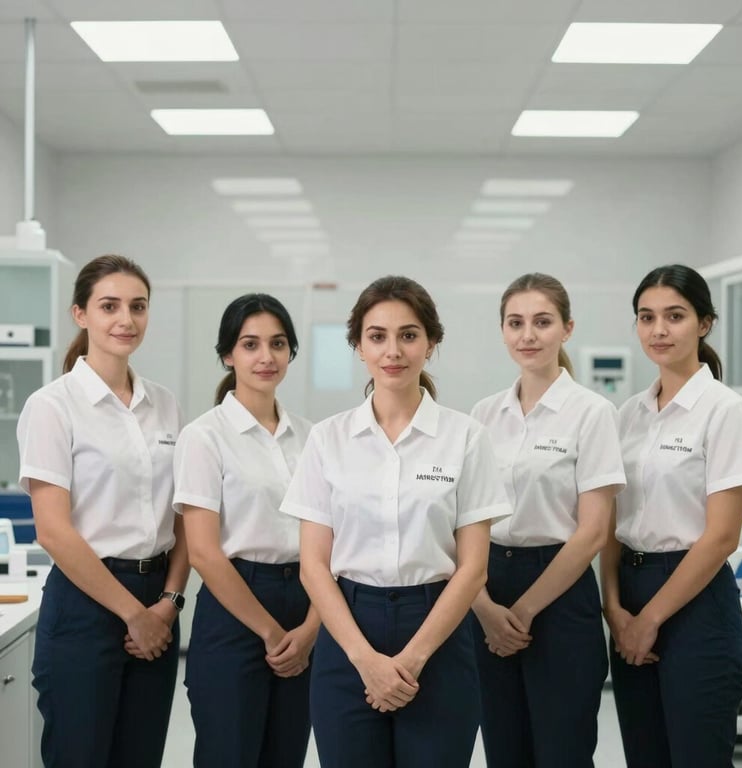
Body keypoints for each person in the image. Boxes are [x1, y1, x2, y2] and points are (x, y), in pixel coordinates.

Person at [280, 275, 510, 768]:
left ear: (431, 343)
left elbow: (472, 569)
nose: (394, 350)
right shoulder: (328, 440)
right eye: (377, 336)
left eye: (409, 335)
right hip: (348, 632)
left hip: (438, 633)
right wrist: (366, 662)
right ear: (358, 346)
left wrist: (411, 660)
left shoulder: (466, 438)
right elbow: (314, 566)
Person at [16, 254, 188, 768]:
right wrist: (134, 615)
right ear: (80, 314)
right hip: (85, 603)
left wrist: (168, 603)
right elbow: (53, 531)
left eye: (137, 307)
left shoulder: (166, 405)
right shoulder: (53, 405)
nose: (125, 320)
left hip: (157, 601)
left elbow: (181, 519)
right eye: (109, 306)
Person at [601, 264, 742, 768]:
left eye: (675, 316)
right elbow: (609, 525)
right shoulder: (628, 415)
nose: (659, 330)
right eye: (646, 318)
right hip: (630, 592)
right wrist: (616, 611)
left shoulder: (723, 410)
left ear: (705, 323)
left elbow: (721, 538)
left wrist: (648, 620)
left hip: (696, 600)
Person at [470, 273, 625, 767]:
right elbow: (466, 521)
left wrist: (525, 610)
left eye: (542, 322)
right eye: (515, 323)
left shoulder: (592, 413)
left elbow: (594, 531)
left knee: (562, 750)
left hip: (560, 594)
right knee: (503, 748)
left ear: (567, 328)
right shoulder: (483, 414)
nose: (528, 335)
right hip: (489, 589)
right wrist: (489, 611)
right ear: (502, 331)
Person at [173, 293, 317, 767]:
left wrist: (311, 629)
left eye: (278, 344)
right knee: (228, 754)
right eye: (250, 344)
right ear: (227, 354)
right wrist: (272, 633)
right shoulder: (204, 436)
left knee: (286, 755)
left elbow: (329, 541)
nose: (266, 357)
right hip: (235, 610)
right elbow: (203, 553)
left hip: (305, 602)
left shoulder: (312, 437)